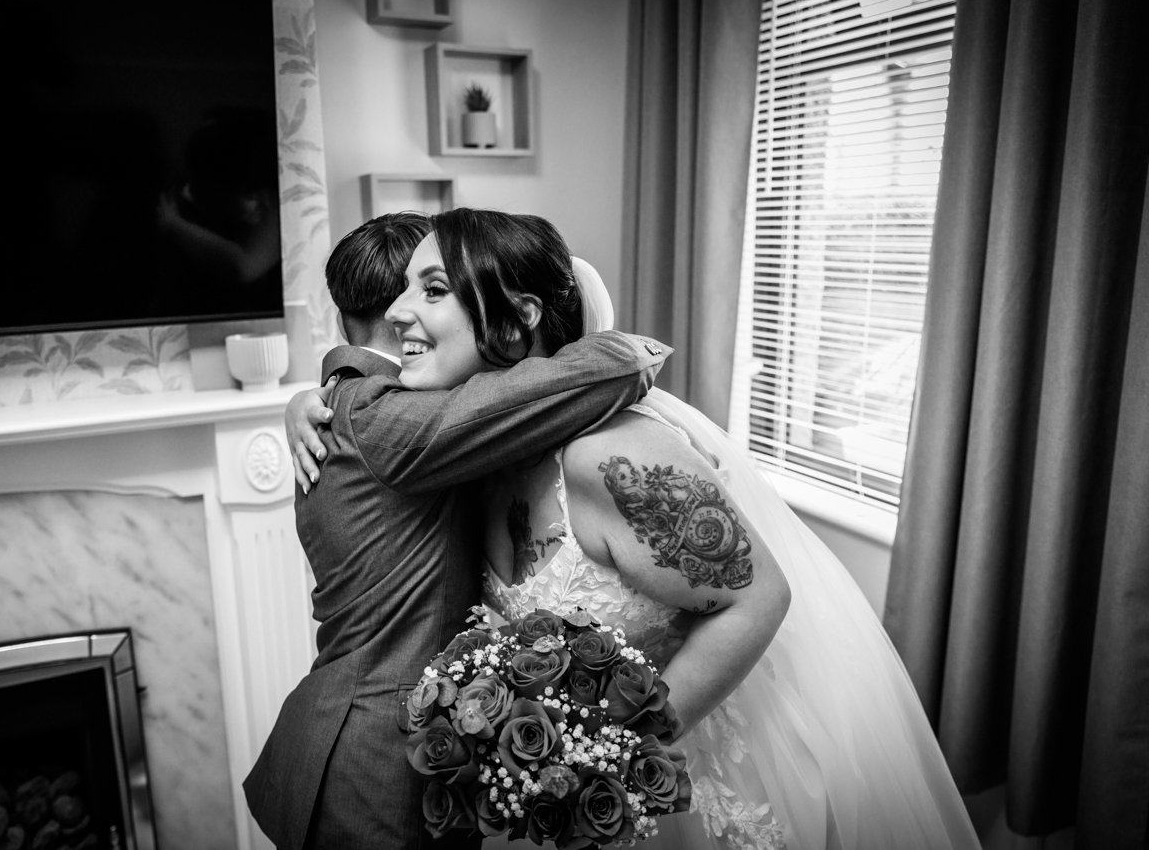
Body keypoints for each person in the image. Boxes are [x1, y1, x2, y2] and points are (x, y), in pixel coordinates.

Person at [288, 208, 983, 850]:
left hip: (671, 780)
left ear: (518, 317)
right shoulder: (473, 457)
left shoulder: (610, 457)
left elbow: (760, 596)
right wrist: (307, 400)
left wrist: (616, 754)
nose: (398, 312)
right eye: (405, 289)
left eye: (432, 289)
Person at [243, 211, 672, 850]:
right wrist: (637, 346)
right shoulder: (390, 418)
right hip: (374, 760)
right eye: (422, 288)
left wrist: (307, 393)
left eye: (437, 288)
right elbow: (610, 367)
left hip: (337, 727)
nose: (412, 308)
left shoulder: (343, 401)